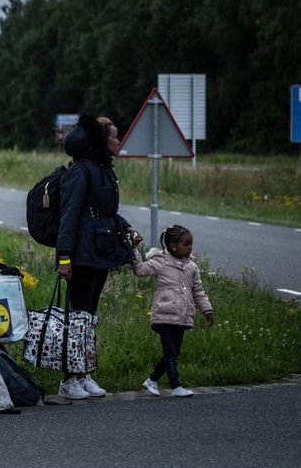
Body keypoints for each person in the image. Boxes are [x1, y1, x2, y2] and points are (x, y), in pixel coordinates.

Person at [55, 114, 140, 400]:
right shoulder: (81, 171)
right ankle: (69, 380)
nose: (118, 140)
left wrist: (126, 226)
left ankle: (85, 373)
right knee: (78, 317)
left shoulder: (102, 169)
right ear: (101, 141)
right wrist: (64, 258)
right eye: (114, 136)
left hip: (99, 251)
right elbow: (69, 215)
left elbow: (103, 210)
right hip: (82, 254)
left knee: (89, 318)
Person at [132, 224, 214, 398]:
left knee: (173, 352)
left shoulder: (191, 267)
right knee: (171, 353)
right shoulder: (160, 261)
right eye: (187, 244)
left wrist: (207, 310)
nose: (190, 247)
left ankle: (152, 380)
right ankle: (175, 386)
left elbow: (198, 291)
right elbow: (140, 270)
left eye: (191, 244)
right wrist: (135, 250)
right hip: (164, 315)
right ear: (174, 245)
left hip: (182, 316)